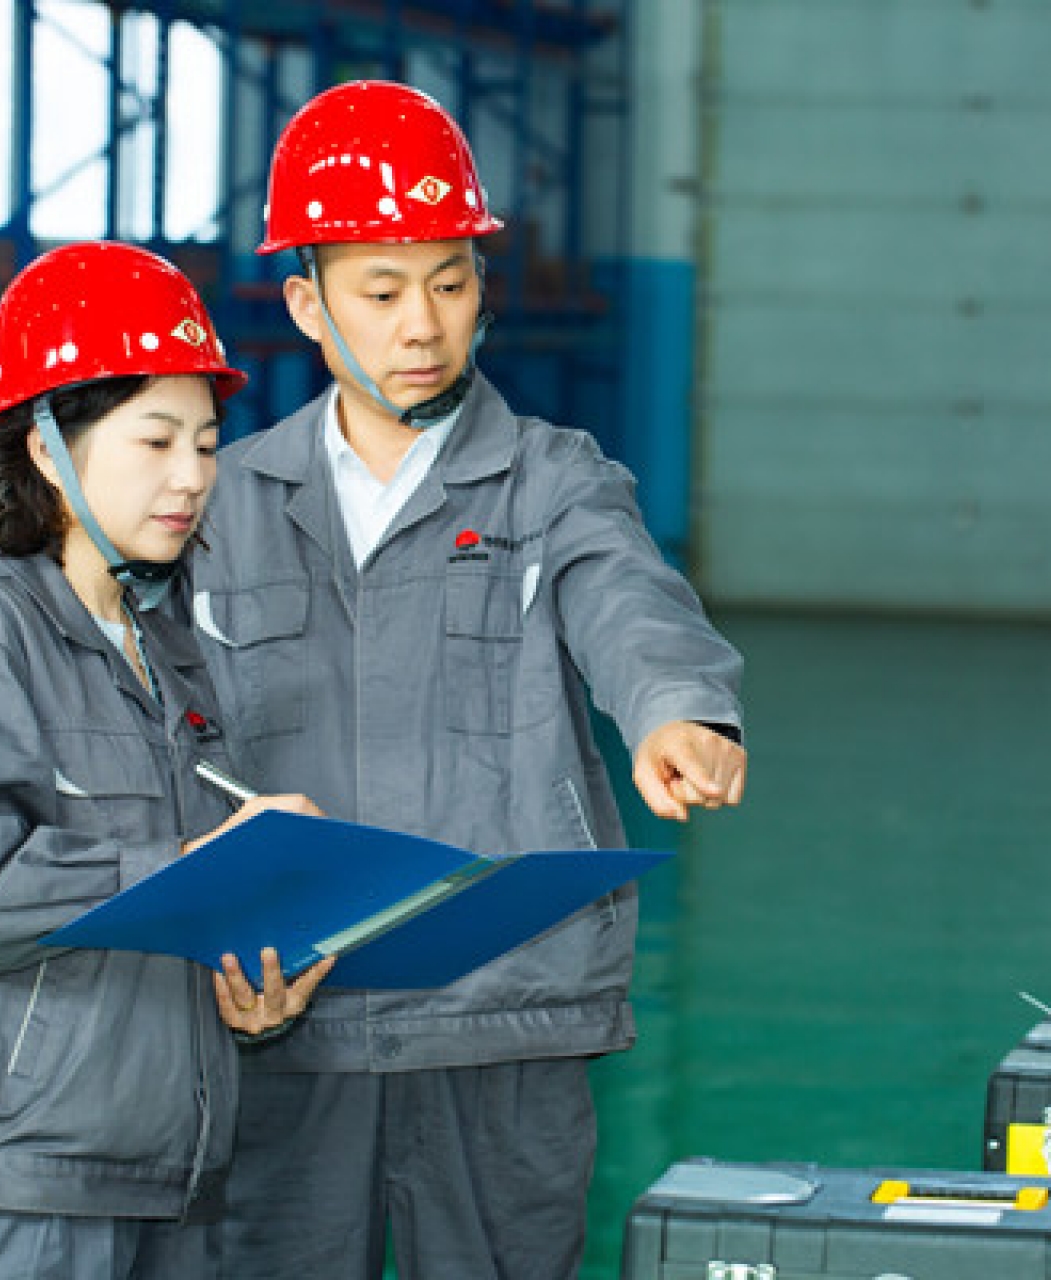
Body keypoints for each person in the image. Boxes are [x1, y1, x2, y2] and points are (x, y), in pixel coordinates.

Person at [187, 81, 748, 1279]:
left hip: (505, 1010)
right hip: (289, 1010)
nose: (423, 325)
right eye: (382, 290)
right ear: (308, 303)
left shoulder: (553, 480)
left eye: (450, 283)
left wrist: (676, 709)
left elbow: (629, 597)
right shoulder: (225, 507)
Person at [0, 240, 332, 1278]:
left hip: (170, 1178)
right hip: (15, 1189)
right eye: (155, 440)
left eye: (207, 444)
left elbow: (162, 908)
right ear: (45, 448)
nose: (192, 476)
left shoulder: (169, 652)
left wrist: (248, 994)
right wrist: (205, 865)